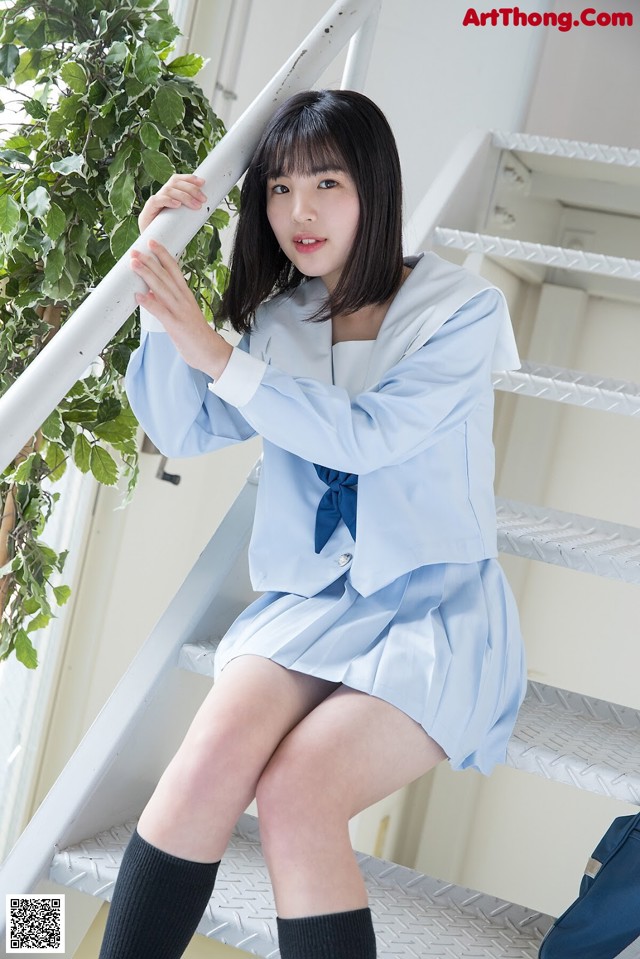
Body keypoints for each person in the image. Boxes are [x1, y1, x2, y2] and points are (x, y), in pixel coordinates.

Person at [98, 89, 527, 959]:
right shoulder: (280, 317)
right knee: (209, 755)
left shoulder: (461, 312)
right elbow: (183, 430)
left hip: (434, 608)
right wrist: (158, 291)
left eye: (326, 182)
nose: (300, 212)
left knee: (296, 789)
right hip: (311, 601)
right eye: (278, 189)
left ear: (374, 187)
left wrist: (213, 349)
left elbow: (372, 439)